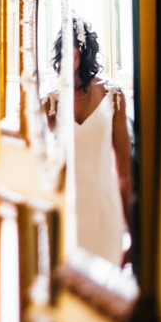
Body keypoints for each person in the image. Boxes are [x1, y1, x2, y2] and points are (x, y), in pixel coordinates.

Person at [52, 16, 133, 266]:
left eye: (73, 48)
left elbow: (124, 172)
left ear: (85, 50)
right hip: (66, 212)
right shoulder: (50, 100)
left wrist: (133, 231)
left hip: (104, 209)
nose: (68, 55)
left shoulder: (113, 95)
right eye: (63, 49)